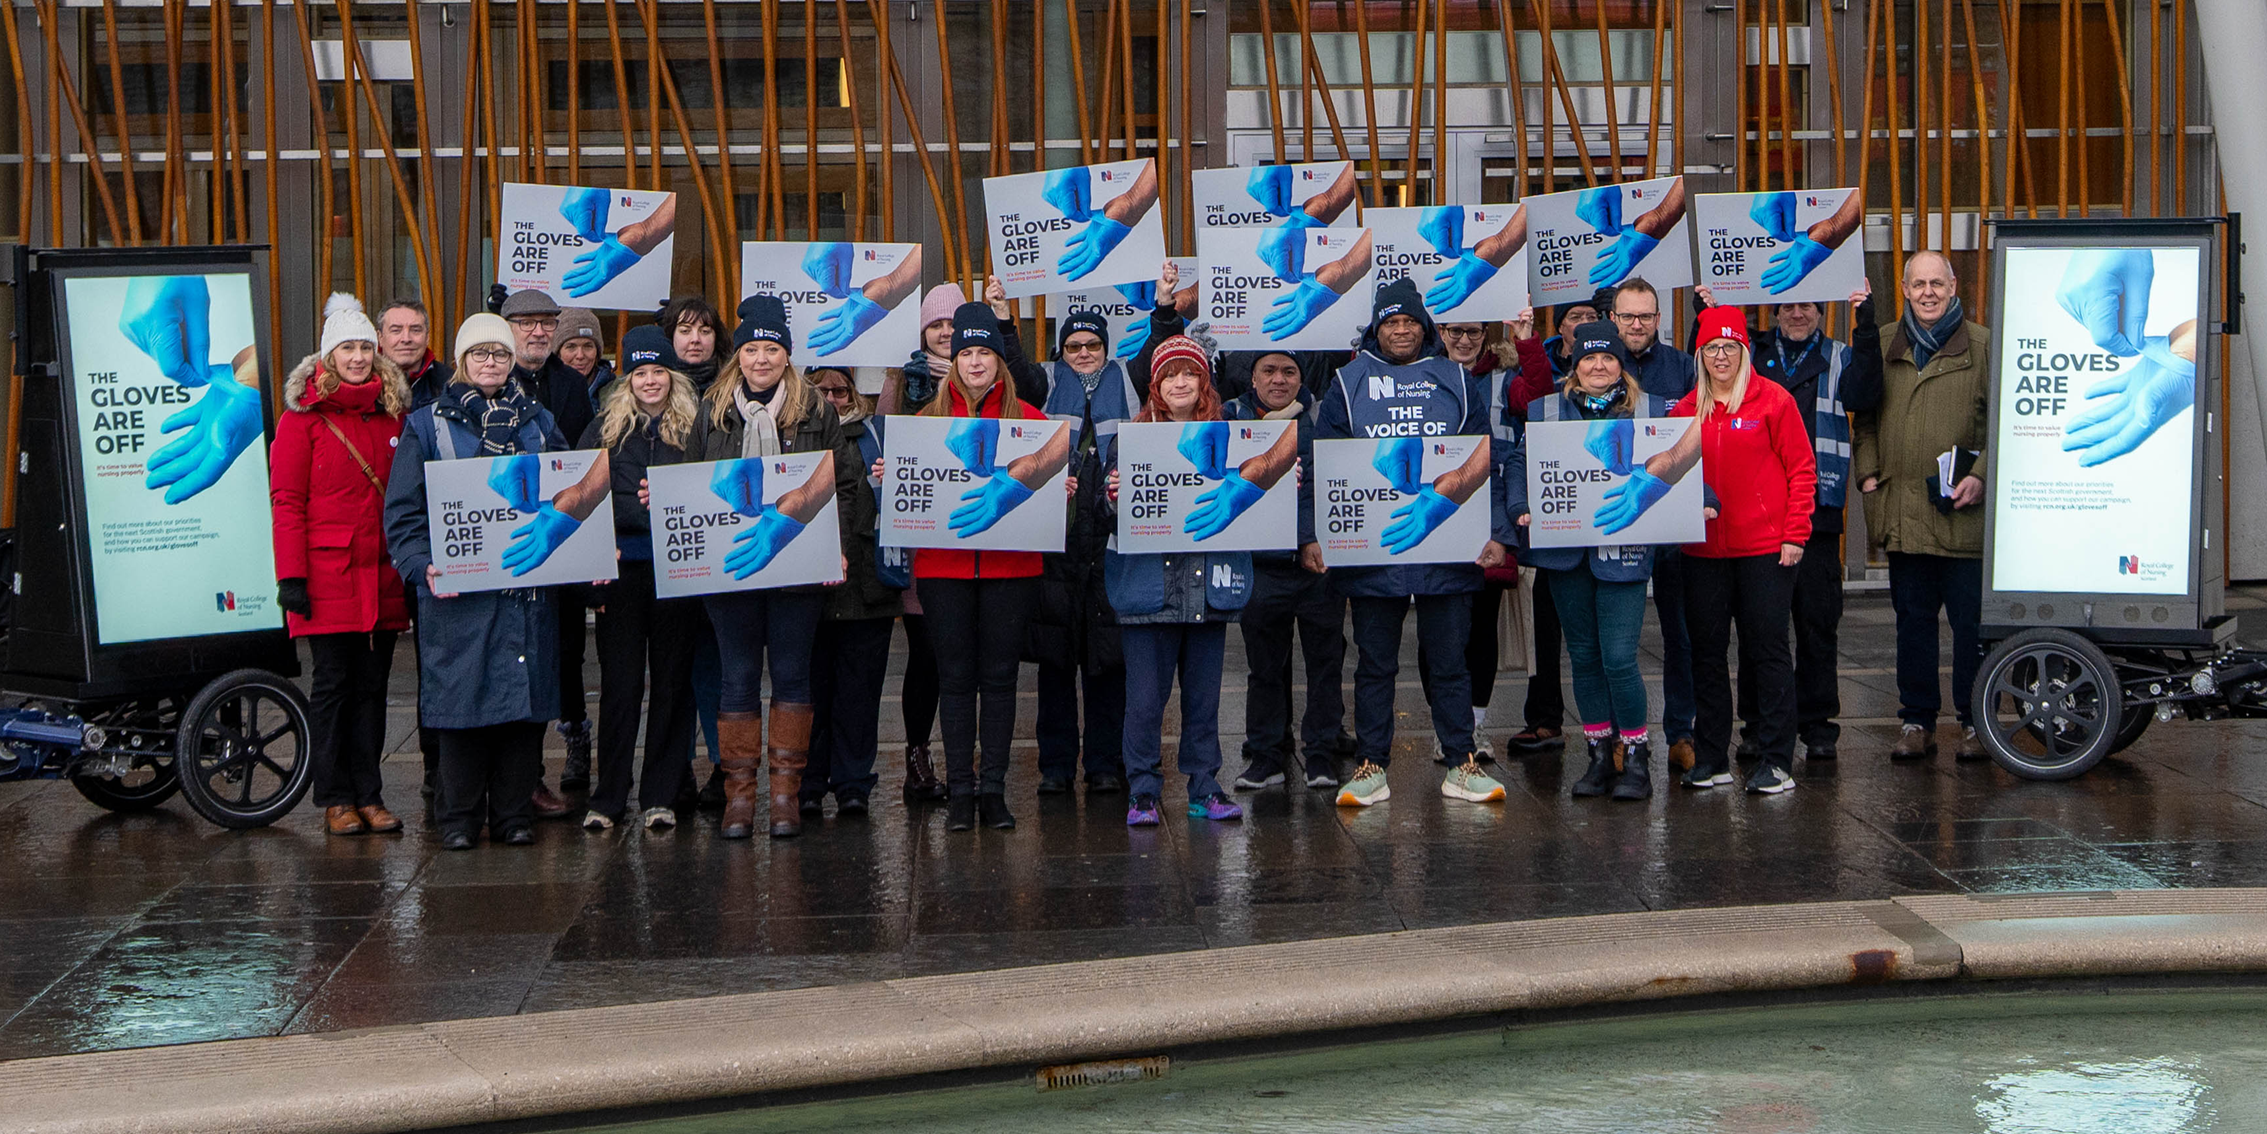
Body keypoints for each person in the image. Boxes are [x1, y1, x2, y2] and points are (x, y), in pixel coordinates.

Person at [1302, 277, 1517, 808]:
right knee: (1375, 664)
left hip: (1448, 547)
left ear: (1425, 328)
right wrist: (1313, 534)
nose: (1401, 330)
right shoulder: (1348, 383)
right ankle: (1372, 765)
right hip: (1375, 552)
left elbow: (1484, 459)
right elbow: (1322, 463)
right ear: (1378, 328)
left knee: (1449, 663)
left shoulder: (1457, 380)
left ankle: (1460, 762)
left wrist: (1497, 532)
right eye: (1391, 322)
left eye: (1410, 322)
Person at [384, 313, 592, 850]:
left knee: (523, 712)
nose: (492, 363)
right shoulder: (427, 425)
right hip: (458, 597)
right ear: (462, 362)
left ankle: (512, 815)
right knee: (461, 713)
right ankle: (457, 820)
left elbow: (572, 493)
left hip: (526, 592)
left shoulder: (539, 422)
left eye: (500, 354)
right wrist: (420, 565)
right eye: (480, 354)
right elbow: (403, 513)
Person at [687, 295, 861, 839]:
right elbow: (691, 483)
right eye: (752, 349)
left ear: (787, 355)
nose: (761, 359)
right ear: (737, 355)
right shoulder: (711, 413)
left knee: (791, 675)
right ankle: (740, 799)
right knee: (736, 678)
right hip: (731, 570)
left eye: (772, 349)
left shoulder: (816, 410)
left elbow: (847, 484)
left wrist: (838, 544)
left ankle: (785, 795)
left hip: (798, 567)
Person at [1104, 337, 1295, 824]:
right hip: (1148, 590)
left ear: (1203, 381)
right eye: (1170, 376)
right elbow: (1101, 514)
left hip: (1208, 588)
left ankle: (1204, 785)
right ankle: (1143, 790)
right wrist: (1112, 496)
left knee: (1203, 699)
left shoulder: (1232, 435)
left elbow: (1257, 490)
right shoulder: (1129, 438)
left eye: (1189, 373)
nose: (1181, 383)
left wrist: (1278, 490)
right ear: (1157, 385)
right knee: (1145, 701)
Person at [1694, 281, 1884, 762]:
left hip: (1815, 511)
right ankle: (1756, 725)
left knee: (1817, 623)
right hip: (1754, 521)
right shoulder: (1751, 356)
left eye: (1807, 306)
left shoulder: (1839, 356)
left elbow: (1867, 392)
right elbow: (1718, 349)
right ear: (1774, 314)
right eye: (1788, 307)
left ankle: (1818, 724)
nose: (1797, 314)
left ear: (1821, 312)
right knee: (1763, 629)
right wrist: (1708, 310)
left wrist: (1865, 324)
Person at [906, 303, 1073, 832]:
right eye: (966, 353)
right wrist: (892, 475)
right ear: (952, 362)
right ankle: (960, 792)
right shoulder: (924, 422)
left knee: (1000, 679)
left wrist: (1061, 488)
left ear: (1000, 361)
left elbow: (1059, 496)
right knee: (955, 679)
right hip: (942, 568)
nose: (975, 363)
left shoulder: (1034, 423)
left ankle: (994, 790)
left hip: (1012, 567)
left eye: (984, 352)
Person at [1505, 322, 1688, 800]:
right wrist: (1519, 505)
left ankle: (1637, 757)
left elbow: (1682, 456)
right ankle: (1599, 755)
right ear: (1575, 363)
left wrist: (1699, 498)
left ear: (1621, 364)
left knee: (1620, 658)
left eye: (1608, 358)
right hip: (1565, 553)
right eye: (1589, 358)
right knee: (1583, 657)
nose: (1599, 366)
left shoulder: (1647, 409)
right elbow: (1519, 463)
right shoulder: (1547, 409)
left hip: (1623, 548)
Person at [992, 274, 1141, 796]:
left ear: (1106, 347)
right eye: (1074, 345)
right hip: (1056, 543)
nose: (1083, 353)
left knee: (1107, 658)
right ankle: (1055, 767)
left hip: (1109, 539)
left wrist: (1165, 307)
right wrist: (1006, 320)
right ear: (1062, 349)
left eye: (1092, 345)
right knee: (1055, 661)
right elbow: (1017, 372)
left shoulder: (1128, 380)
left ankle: (1105, 763)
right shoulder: (1047, 381)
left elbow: (1163, 348)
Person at [271, 294, 411, 836]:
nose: (357, 357)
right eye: (347, 347)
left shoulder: (391, 413)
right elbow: (287, 500)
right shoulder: (301, 420)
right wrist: (291, 577)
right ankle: (334, 797)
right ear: (328, 356)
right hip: (326, 575)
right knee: (333, 685)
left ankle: (369, 793)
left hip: (381, 572)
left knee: (373, 687)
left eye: (364, 347)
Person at [1670, 309, 1818, 794]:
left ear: (1745, 353)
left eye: (1730, 347)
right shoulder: (1685, 411)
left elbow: (1802, 470)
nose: (1721, 357)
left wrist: (1795, 533)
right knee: (1707, 656)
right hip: (1702, 553)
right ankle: (1712, 757)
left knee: (1768, 652)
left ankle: (1776, 759)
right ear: (1700, 355)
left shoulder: (1773, 401)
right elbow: (1668, 474)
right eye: (1712, 348)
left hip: (1764, 551)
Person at [1854, 250, 1991, 761]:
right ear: (1905, 290)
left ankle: (1977, 723)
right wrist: (1868, 474)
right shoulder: (1884, 340)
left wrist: (1980, 476)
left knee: (1971, 626)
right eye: (1919, 285)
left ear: (1954, 288)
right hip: (1904, 511)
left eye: (1938, 283)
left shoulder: (1983, 346)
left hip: (1963, 515)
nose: (1928, 293)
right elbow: (1863, 416)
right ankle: (1916, 722)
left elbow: (2005, 424)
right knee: (1912, 623)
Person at [577, 325, 700, 831]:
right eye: (640, 372)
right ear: (626, 378)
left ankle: (660, 795)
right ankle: (608, 798)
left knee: (674, 685)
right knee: (620, 687)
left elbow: (716, 488)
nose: (650, 381)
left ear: (673, 376)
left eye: (659, 371)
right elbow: (580, 500)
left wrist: (675, 498)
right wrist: (592, 581)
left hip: (680, 571)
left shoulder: (698, 429)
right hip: (622, 573)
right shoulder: (603, 430)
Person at [1225, 348, 1350, 791]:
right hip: (1260, 566)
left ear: (1301, 377)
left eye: (1289, 371)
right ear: (1253, 378)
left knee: (1325, 663)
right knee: (1264, 669)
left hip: (1317, 566)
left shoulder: (1323, 416)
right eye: (1269, 371)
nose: (1279, 380)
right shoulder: (1229, 418)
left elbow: (1329, 482)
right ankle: (1266, 757)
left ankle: (1319, 755)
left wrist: (1304, 536)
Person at [499, 289, 598, 818]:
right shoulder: (490, 378)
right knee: (507, 662)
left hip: (556, 543)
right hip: (504, 547)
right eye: (526, 324)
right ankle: (506, 775)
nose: (537, 332)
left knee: (554, 660)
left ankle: (551, 761)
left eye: (545, 324)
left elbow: (583, 466)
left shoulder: (570, 386)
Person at [801, 365, 904, 816]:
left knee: (859, 696)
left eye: (840, 389)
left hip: (867, 588)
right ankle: (807, 784)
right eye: (821, 389)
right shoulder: (796, 432)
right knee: (810, 693)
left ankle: (853, 784)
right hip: (810, 594)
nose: (831, 398)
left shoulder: (878, 435)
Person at [876, 284, 964, 805]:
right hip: (920, 546)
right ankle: (917, 754)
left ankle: (963, 756)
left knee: (961, 658)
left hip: (966, 539)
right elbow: (883, 441)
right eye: (937, 325)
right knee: (926, 655)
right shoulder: (902, 380)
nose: (945, 333)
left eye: (953, 324)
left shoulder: (984, 376)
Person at [1609, 277, 1700, 770]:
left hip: (1670, 520)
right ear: (1615, 318)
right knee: (1616, 641)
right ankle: (1623, 735)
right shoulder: (1600, 363)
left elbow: (1699, 437)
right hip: (1617, 521)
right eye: (1628, 316)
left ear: (1659, 318)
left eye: (1646, 316)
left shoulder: (1683, 368)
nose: (1637, 324)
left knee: (1679, 632)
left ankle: (1681, 732)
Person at [376, 297, 451, 804]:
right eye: (396, 329)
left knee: (438, 666)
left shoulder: (448, 384)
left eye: (416, 328)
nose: (406, 337)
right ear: (380, 338)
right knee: (369, 679)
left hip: (436, 547)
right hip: (375, 550)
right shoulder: (360, 384)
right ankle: (360, 788)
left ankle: (438, 769)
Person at [659, 296, 728, 391]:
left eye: (704, 331)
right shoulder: (657, 387)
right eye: (685, 331)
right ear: (671, 336)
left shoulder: (734, 385)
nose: (695, 339)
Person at [555, 307, 615, 407]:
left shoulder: (617, 395)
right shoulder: (542, 391)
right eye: (571, 347)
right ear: (557, 353)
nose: (580, 355)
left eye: (588, 346)